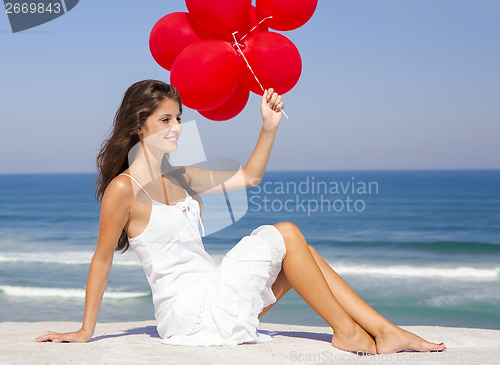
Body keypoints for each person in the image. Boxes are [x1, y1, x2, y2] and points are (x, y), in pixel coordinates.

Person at [35, 80, 446, 354]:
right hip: (187, 313)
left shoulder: (183, 175)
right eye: (166, 120)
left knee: (302, 250)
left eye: (179, 118)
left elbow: (251, 176)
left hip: (213, 294)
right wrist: (85, 330)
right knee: (285, 232)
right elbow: (102, 258)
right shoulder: (123, 188)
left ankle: (386, 331)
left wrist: (268, 126)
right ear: (139, 126)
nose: (177, 127)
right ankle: (348, 333)